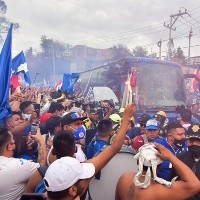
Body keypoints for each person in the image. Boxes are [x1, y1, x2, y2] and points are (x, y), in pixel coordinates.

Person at [44, 104, 135, 200]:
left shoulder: (56, 156)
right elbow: (114, 147)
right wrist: (126, 118)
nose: (81, 127)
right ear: (72, 191)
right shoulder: (76, 165)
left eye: (81, 123)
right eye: (77, 124)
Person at [115, 143, 200, 200]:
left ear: (138, 161)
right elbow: (195, 185)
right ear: (159, 166)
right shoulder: (161, 191)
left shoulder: (124, 178)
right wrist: (170, 156)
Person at [0, 127, 46, 200]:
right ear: (9, 146)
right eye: (13, 142)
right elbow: (41, 167)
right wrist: (40, 140)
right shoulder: (16, 166)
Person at [171, 124, 200, 200]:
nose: (195, 144)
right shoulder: (180, 159)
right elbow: (173, 181)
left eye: (198, 141)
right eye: (191, 141)